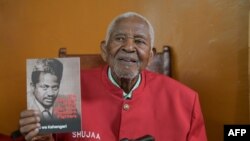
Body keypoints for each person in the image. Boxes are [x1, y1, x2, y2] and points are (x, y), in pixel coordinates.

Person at [19, 12, 207, 141]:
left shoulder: (186, 101)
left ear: (150, 56)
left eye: (139, 41)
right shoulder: (64, 89)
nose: (129, 47)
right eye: (119, 38)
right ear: (104, 50)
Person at [26, 58, 81, 134]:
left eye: (55, 87)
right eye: (45, 87)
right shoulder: (27, 109)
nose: (51, 93)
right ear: (33, 86)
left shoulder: (68, 104)